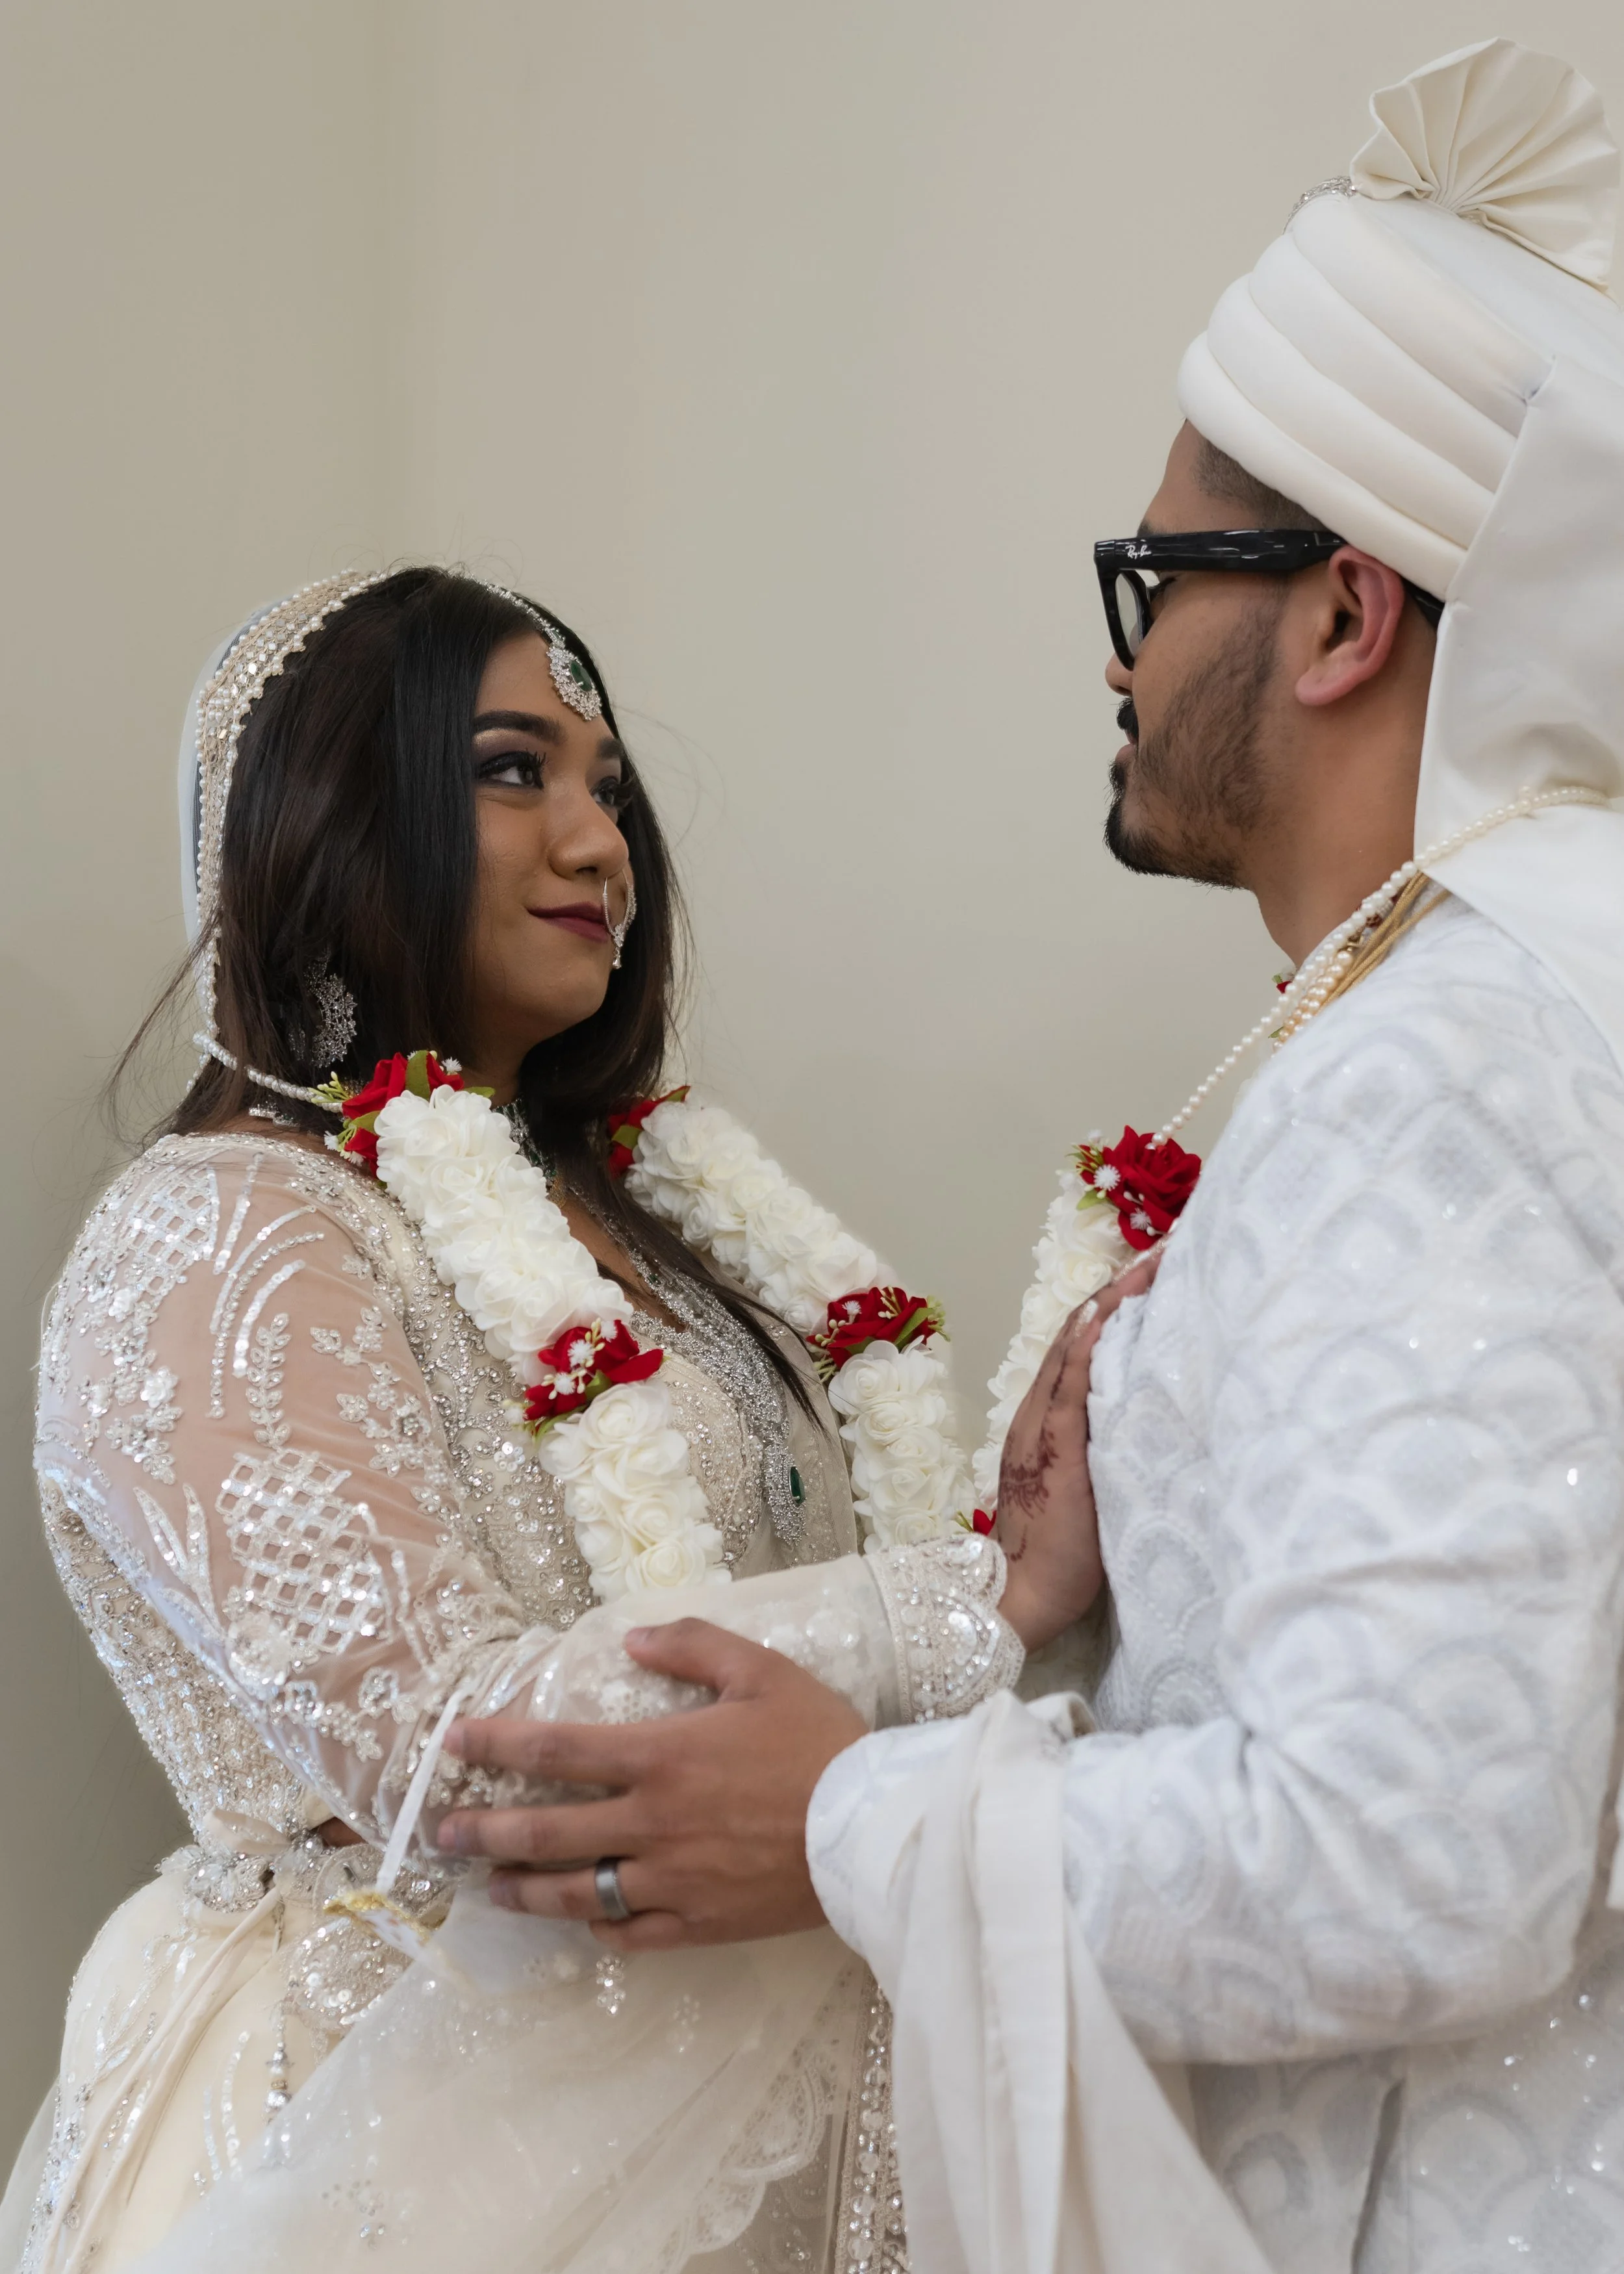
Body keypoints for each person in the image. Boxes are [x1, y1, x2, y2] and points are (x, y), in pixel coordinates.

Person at [436, 40, 1624, 2273]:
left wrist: (841, 1814)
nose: (1121, 654)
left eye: (1158, 573)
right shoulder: (1498, 997)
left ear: (1344, 615)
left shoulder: (1438, 1063)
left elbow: (1414, 1860)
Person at [8, 567, 1103, 2274]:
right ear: (326, 812)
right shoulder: (224, 1229)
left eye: (606, 786)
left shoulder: (640, 1226)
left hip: (731, 2092)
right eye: (513, 770)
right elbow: (450, 1753)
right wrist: (997, 1600)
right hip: (398, 2122)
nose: (600, 844)